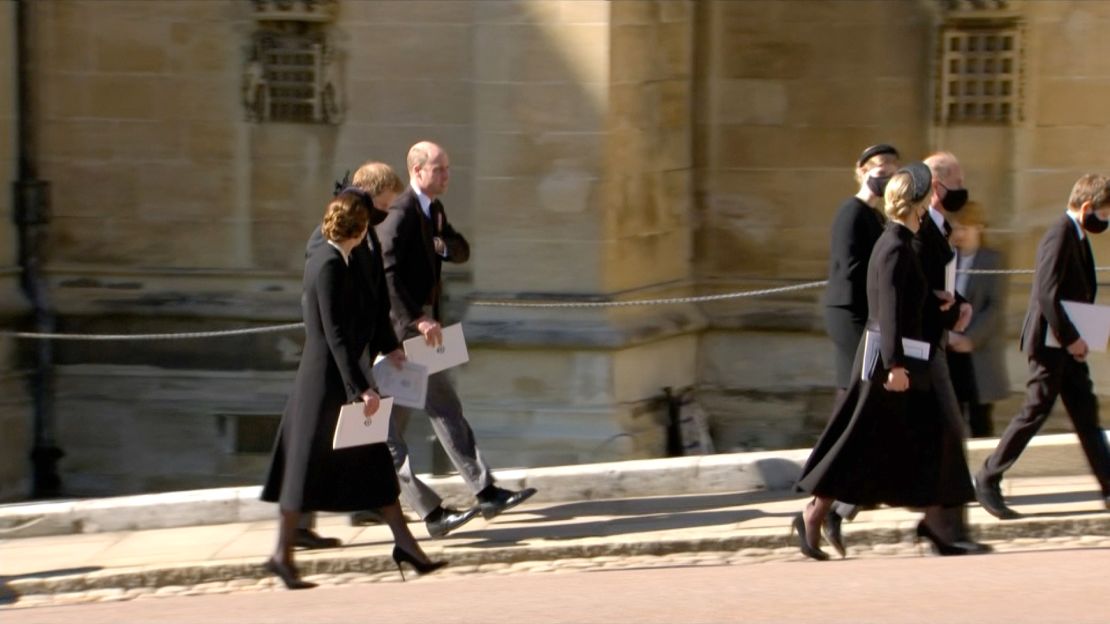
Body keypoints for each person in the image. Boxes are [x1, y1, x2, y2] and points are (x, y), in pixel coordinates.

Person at [261, 190, 445, 589]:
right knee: (303, 469)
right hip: (322, 380)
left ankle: (407, 546)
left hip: (341, 375)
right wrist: (361, 387)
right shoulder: (326, 262)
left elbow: (363, 317)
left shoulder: (343, 257)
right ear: (357, 228)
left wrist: (387, 350)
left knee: (375, 460)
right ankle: (281, 556)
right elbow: (335, 334)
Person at [794, 162, 976, 560]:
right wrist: (894, 365)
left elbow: (917, 302)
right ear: (918, 200)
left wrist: (947, 312)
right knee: (860, 438)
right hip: (889, 358)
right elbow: (889, 310)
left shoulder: (909, 239)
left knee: (935, 436)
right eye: (929, 192)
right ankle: (816, 511)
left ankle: (935, 523)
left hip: (911, 353)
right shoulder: (893, 245)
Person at [376, 141, 537, 538]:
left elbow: (461, 249)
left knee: (403, 423)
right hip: (406, 337)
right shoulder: (401, 214)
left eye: (448, 169)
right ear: (416, 171)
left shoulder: (435, 211)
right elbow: (388, 274)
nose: (447, 176)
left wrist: (443, 245)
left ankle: (480, 492)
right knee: (410, 422)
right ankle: (475, 493)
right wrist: (416, 319)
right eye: (439, 169)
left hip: (423, 334)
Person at [975, 173, 1110, 519]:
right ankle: (988, 477)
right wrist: (1074, 338)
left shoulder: (1075, 236)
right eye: (1106, 213)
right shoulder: (1060, 234)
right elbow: (1046, 294)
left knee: (1086, 415)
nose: (1106, 221)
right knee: (1034, 411)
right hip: (1053, 344)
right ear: (1087, 207)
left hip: (1065, 344)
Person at [293, 162, 408, 545]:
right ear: (369, 197)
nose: (386, 213)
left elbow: (375, 299)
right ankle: (297, 526)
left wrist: (389, 344)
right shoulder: (328, 239)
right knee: (319, 437)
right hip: (331, 360)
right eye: (385, 204)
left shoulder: (368, 235)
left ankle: (367, 503)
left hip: (357, 350)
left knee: (361, 433)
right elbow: (329, 312)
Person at [820, 143, 900, 552]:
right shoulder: (852, 212)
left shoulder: (876, 216)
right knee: (861, 405)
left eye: (892, 167)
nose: (886, 172)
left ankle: (834, 504)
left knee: (860, 407)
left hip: (868, 316)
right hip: (851, 314)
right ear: (863, 171)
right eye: (879, 166)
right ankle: (826, 503)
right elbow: (851, 270)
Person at [909, 152, 989, 554]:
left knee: (949, 435)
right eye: (958, 181)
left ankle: (945, 526)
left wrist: (959, 306)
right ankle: (827, 510)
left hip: (940, 345)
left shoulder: (943, 227)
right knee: (943, 435)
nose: (963, 189)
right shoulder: (921, 230)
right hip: (924, 348)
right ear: (938, 187)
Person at [947, 200, 1010, 438]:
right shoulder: (946, 258)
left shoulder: (992, 259)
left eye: (965, 228)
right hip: (949, 349)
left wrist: (970, 339)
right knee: (950, 416)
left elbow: (994, 306)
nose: (959, 234)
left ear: (979, 227)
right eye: (955, 228)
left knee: (980, 419)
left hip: (977, 352)